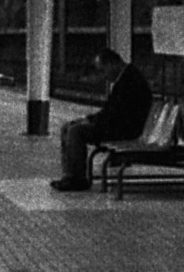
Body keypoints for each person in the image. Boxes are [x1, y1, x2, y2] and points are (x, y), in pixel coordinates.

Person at [50, 44, 153, 192]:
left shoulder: (131, 80)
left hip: (127, 129)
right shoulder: (126, 77)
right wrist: (89, 118)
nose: (104, 76)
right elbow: (112, 111)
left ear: (112, 63)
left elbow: (115, 113)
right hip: (120, 125)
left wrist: (91, 120)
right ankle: (69, 176)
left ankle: (77, 179)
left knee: (76, 131)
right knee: (68, 127)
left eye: (103, 70)